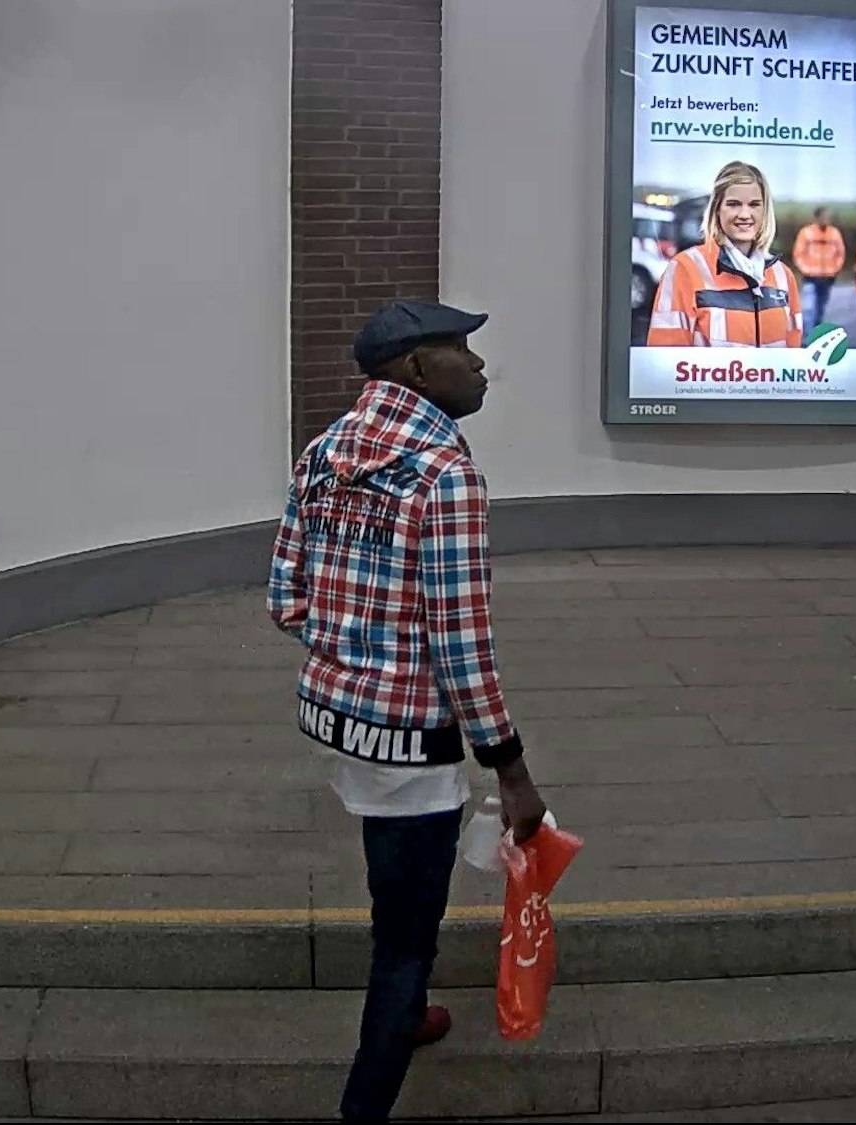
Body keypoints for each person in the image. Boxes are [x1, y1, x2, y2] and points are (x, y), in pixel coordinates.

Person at [267, 298, 549, 1124]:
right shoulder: (443, 473)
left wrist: (354, 646)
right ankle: (365, 1101)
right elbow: (462, 645)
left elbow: (286, 599)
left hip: (329, 717)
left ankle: (414, 1008)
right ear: (418, 370)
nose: (481, 366)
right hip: (407, 743)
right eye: (464, 351)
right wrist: (514, 771)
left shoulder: (324, 452)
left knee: (389, 870)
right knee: (405, 935)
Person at [645, 160, 804, 348]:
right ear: (717, 210)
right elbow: (665, 362)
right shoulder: (684, 268)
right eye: (733, 204)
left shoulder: (783, 275)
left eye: (754, 204)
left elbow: (793, 363)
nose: (745, 214)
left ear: (765, 211)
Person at [791, 206, 846, 325]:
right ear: (817, 217)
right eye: (824, 216)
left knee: (821, 309)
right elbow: (798, 254)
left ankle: (815, 336)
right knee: (808, 309)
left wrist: (835, 269)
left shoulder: (834, 233)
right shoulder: (806, 232)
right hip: (810, 278)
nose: (826, 219)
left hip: (828, 278)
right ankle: (806, 341)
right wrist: (805, 270)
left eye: (828, 217)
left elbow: (840, 254)